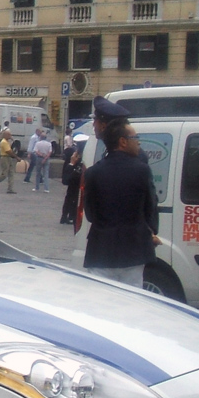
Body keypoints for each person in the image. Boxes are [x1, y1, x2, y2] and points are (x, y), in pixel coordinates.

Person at [82, 119, 159, 288]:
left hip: (101, 250)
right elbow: (150, 206)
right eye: (135, 137)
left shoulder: (93, 172)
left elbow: (90, 213)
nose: (138, 141)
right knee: (130, 303)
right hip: (133, 250)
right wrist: (151, 231)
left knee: (101, 303)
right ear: (123, 142)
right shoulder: (142, 170)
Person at [60, 136, 86, 225]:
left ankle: (67, 216)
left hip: (74, 182)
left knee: (70, 199)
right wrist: (72, 164)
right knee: (72, 199)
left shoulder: (76, 154)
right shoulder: (76, 156)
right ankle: (68, 216)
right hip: (74, 182)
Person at [0, 128, 20, 194]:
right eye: (9, 135)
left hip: (8, 158)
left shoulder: (7, 141)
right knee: (4, 174)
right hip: (5, 158)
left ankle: (10, 189)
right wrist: (16, 157)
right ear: (6, 135)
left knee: (11, 173)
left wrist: (12, 140)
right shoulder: (4, 142)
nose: (11, 136)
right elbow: (9, 151)